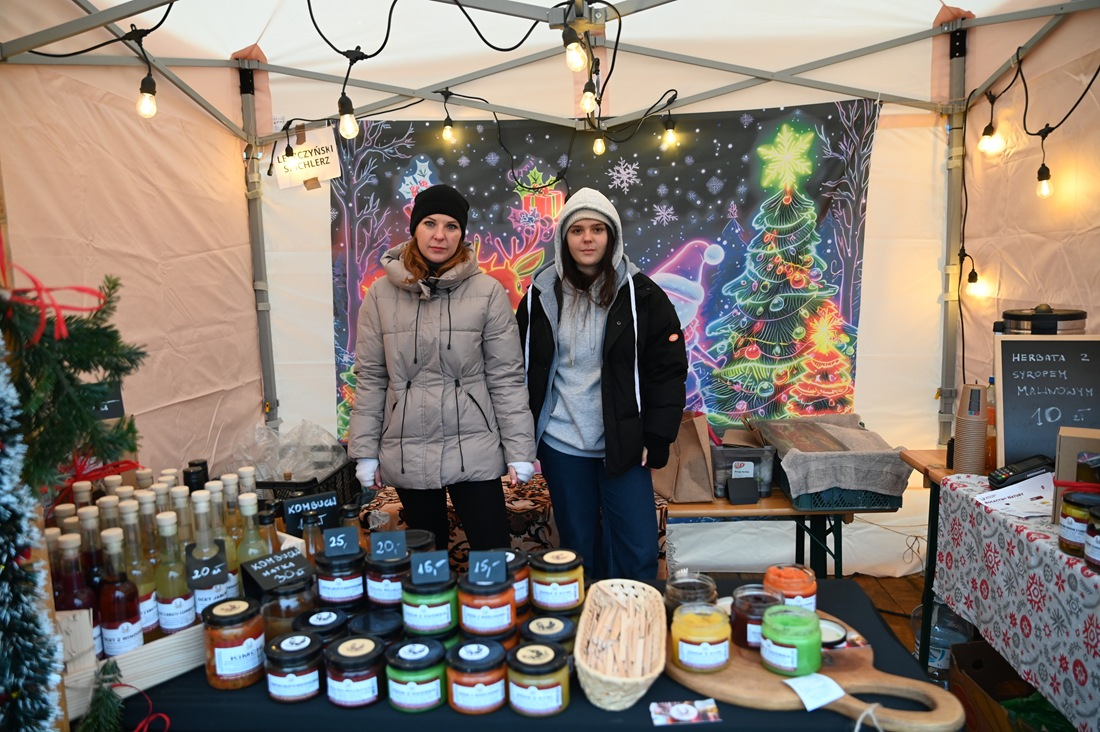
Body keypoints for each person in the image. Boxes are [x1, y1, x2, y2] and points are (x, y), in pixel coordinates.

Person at [349, 184, 536, 552]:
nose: (440, 235)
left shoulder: (487, 292)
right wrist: (365, 452)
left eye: (451, 226)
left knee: (492, 555)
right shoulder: (381, 295)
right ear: (414, 228)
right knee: (426, 560)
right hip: (409, 448)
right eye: (430, 223)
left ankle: (488, 595)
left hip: (474, 446)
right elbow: (371, 377)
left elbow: (506, 378)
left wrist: (519, 450)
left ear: (461, 233)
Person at [517, 187, 687, 579]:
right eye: (577, 230)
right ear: (564, 238)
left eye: (597, 229)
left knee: (637, 549)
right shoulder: (539, 295)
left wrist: (656, 436)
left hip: (623, 441)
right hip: (561, 442)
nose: (587, 239)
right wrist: (522, 437)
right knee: (578, 550)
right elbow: (520, 367)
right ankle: (586, 615)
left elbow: (667, 371)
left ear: (612, 236)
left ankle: (633, 613)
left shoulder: (643, 295)